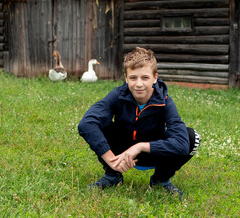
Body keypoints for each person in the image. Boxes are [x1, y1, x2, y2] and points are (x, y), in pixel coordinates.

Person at [78, 47, 201, 196]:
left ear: (155, 78)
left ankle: (160, 181)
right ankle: (112, 176)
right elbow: (86, 124)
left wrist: (141, 146)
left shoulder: (165, 102)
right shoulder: (117, 95)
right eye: (133, 78)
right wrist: (111, 159)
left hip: (153, 152)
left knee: (192, 137)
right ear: (126, 78)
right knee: (98, 123)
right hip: (120, 153)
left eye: (145, 77)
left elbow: (181, 145)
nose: (139, 84)